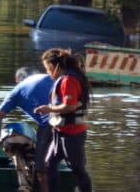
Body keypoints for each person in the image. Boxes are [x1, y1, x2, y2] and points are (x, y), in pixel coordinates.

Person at [33, 48, 92, 192]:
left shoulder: (69, 80)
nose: (48, 72)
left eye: (48, 69)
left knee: (78, 169)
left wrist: (49, 108)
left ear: (54, 67)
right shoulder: (66, 78)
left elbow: (70, 106)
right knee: (49, 164)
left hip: (72, 134)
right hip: (60, 132)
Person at [0, 67, 54, 192]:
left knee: (40, 165)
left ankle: (25, 185)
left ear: (18, 80)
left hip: (48, 126)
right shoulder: (46, 76)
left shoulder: (17, 90)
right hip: (69, 120)